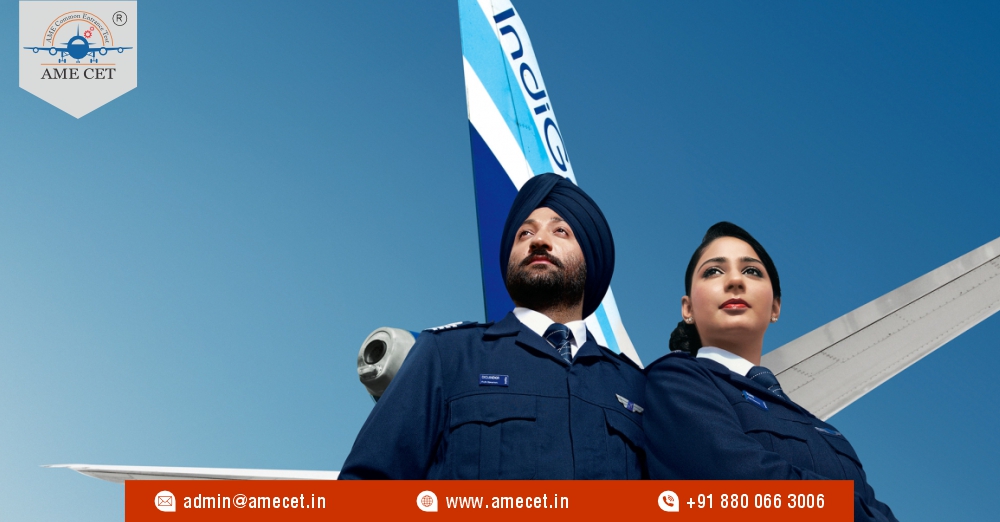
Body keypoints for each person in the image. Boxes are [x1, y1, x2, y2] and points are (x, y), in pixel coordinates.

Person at [340, 173, 645, 479]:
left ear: (591, 258)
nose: (539, 240)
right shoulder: (448, 355)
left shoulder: (637, 387)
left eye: (561, 231)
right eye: (524, 234)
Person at [644, 222, 897, 521]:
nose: (735, 280)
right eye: (713, 271)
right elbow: (741, 487)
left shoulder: (830, 433)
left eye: (752, 271)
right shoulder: (674, 379)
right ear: (687, 309)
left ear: (775, 307)